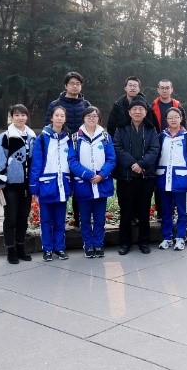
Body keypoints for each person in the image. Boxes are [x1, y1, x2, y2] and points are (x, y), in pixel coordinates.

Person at [42, 71, 90, 227]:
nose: (75, 86)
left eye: (78, 84)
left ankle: (79, 219)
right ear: (66, 85)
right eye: (72, 83)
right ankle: (57, 222)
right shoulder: (55, 105)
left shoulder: (86, 105)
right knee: (60, 182)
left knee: (80, 184)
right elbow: (47, 127)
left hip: (81, 150)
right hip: (61, 150)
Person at [113, 99, 160, 255]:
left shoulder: (151, 129)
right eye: (134, 109)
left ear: (146, 112)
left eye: (141, 109)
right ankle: (124, 243)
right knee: (126, 211)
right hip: (126, 177)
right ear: (129, 112)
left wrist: (141, 164)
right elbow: (117, 148)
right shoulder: (121, 128)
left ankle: (144, 242)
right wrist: (132, 164)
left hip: (146, 177)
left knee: (144, 211)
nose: (137, 112)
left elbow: (154, 149)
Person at [0, 104, 36, 264]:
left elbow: (35, 160)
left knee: (23, 218)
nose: (20, 118)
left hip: (26, 185)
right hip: (10, 185)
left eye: (23, 115)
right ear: (12, 117)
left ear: (27, 117)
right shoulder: (5, 137)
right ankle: (11, 251)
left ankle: (21, 248)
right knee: (10, 218)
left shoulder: (32, 137)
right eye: (16, 115)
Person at [68, 106, 116, 259]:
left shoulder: (106, 137)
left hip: (102, 183)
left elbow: (111, 159)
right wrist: (88, 175)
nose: (91, 118)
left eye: (94, 116)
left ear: (99, 119)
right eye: (88, 116)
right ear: (83, 118)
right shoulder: (75, 138)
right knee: (85, 219)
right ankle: (88, 245)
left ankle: (98, 244)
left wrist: (102, 175)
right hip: (84, 184)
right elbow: (72, 161)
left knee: (100, 218)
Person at [29, 105, 72, 261]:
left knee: (60, 220)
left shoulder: (68, 139)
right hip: (46, 184)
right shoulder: (42, 138)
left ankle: (59, 248)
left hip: (63, 185)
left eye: (62, 116)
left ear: (65, 119)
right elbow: (36, 164)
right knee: (46, 220)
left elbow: (71, 162)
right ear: (51, 118)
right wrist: (34, 186)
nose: (59, 118)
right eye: (57, 115)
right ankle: (47, 249)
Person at [155, 107, 187, 251]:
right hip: (163, 180)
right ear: (166, 120)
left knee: (182, 211)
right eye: (170, 118)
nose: (173, 120)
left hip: (181, 180)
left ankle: (180, 237)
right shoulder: (161, 137)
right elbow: (156, 157)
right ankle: (167, 237)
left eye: (176, 117)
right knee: (166, 211)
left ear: (181, 118)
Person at [150, 79, 186, 218]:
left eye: (167, 88)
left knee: (176, 179)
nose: (164, 90)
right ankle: (161, 213)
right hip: (158, 143)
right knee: (160, 178)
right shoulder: (152, 106)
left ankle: (175, 211)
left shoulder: (177, 106)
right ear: (158, 89)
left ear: (172, 89)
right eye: (162, 88)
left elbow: (184, 125)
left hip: (176, 143)